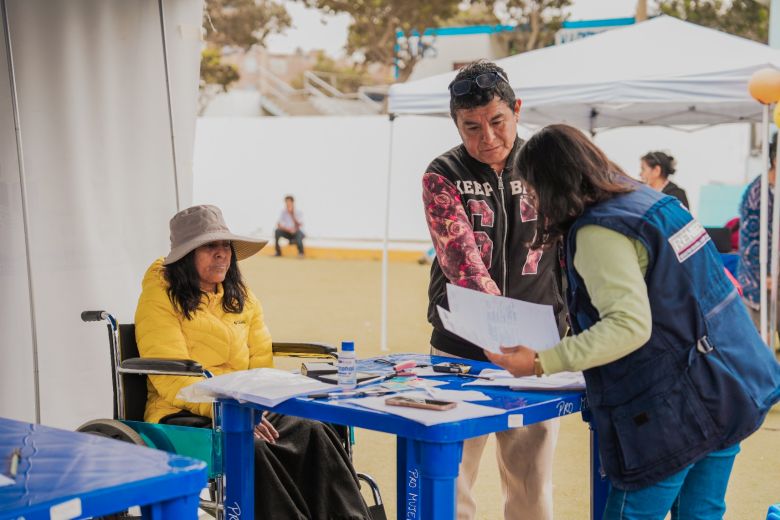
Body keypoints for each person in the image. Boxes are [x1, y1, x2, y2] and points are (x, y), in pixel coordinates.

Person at [487, 124, 780, 520]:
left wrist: (541, 361)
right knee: (703, 513)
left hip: (674, 410)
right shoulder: (650, 202)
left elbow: (628, 326)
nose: (533, 201)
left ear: (551, 183)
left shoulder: (598, 231)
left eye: (533, 189)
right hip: (726, 384)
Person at [135, 204, 370, 520]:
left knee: (313, 429)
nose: (222, 254)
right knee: (250, 447)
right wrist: (233, 409)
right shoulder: (160, 295)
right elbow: (171, 379)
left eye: (225, 245)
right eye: (209, 246)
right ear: (186, 255)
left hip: (246, 404)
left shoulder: (240, 296)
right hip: (182, 410)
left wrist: (258, 403)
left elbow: (260, 363)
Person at [421, 60, 566, 520]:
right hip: (458, 351)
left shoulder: (549, 166)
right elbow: (462, 263)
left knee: (531, 487)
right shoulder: (441, 173)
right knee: (452, 481)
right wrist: (502, 333)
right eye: (472, 127)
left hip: (537, 351)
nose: (487, 137)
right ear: (456, 124)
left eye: (497, 121)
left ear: (517, 110)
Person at [739, 133, 779, 331]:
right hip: (761, 279)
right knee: (762, 342)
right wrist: (765, 274)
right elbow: (751, 242)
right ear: (775, 159)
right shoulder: (758, 193)